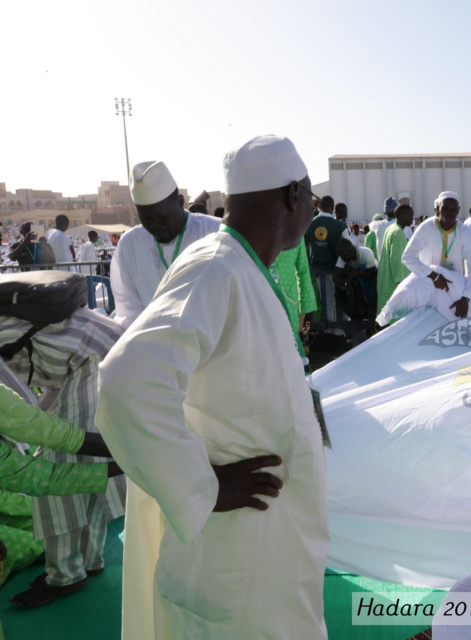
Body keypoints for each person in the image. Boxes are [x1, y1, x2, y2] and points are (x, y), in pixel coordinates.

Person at [96, 134, 330, 639]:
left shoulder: (242, 265)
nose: (313, 207)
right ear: (294, 195)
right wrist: (201, 488)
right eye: (310, 196)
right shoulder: (216, 267)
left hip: (265, 544)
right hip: (238, 549)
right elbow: (125, 381)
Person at [0, 309, 126, 608]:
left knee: (59, 474)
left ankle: (66, 574)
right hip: (99, 354)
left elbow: (24, 414)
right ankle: (87, 559)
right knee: (82, 462)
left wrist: (116, 452)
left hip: (90, 362)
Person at [112, 160, 221, 329]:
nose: (155, 225)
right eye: (147, 219)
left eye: (162, 217)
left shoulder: (214, 232)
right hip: (155, 346)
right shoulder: (130, 244)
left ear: (180, 202)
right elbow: (128, 310)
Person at [402, 191, 471, 319]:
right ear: (437, 209)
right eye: (445, 208)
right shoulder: (426, 227)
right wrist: (433, 276)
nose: (449, 212)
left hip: (453, 294)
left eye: (453, 209)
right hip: (427, 289)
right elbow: (407, 257)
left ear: (458, 210)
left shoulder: (463, 231)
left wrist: (466, 298)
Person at [305, 194, 346, 324]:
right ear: (332, 208)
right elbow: (349, 248)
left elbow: (304, 246)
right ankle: (334, 331)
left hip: (315, 270)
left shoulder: (309, 224)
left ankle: (323, 328)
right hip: (335, 270)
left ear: (320, 206)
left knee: (320, 300)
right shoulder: (339, 226)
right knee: (336, 299)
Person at [376, 203, 413, 314]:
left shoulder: (391, 228)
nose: (412, 219)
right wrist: (402, 285)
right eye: (410, 216)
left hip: (385, 279)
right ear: (402, 216)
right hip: (393, 284)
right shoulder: (398, 233)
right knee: (394, 321)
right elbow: (397, 262)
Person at [334, 237, 377, 320]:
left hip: (370, 275)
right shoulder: (343, 257)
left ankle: (372, 317)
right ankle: (358, 314)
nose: (343, 259)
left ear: (351, 251)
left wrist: (359, 273)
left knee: (362, 269)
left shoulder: (366, 253)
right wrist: (347, 283)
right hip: (358, 277)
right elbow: (335, 277)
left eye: (344, 257)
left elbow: (371, 273)